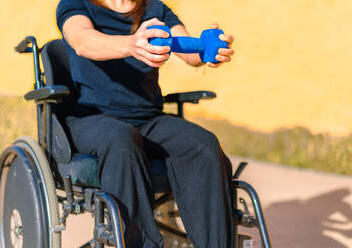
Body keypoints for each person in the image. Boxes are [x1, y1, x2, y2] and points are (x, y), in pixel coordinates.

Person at [56, 0, 235, 247]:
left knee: (204, 145)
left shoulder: (155, 9)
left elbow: (187, 51)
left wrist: (208, 50)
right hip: (93, 118)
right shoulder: (76, 4)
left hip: (148, 118)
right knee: (122, 139)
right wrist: (131, 44)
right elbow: (83, 42)